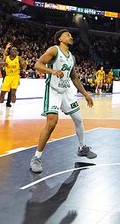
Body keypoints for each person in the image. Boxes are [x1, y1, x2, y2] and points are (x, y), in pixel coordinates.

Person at [30, 29, 96, 173]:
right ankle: (36, 158)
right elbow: (37, 65)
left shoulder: (72, 57)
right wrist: (53, 71)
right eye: (67, 35)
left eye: (71, 35)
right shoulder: (54, 50)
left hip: (66, 91)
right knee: (51, 123)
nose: (70, 36)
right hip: (53, 90)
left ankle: (82, 147)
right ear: (60, 38)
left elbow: (74, 78)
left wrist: (86, 94)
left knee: (78, 119)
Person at [0, 43, 26, 116]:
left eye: (15, 51)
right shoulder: (6, 58)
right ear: (10, 52)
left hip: (15, 76)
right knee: (2, 93)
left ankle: (12, 110)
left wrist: (23, 68)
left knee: (13, 92)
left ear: (17, 52)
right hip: (8, 76)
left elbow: (24, 65)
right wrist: (0, 65)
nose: (14, 52)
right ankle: (0, 110)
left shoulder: (19, 58)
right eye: (13, 50)